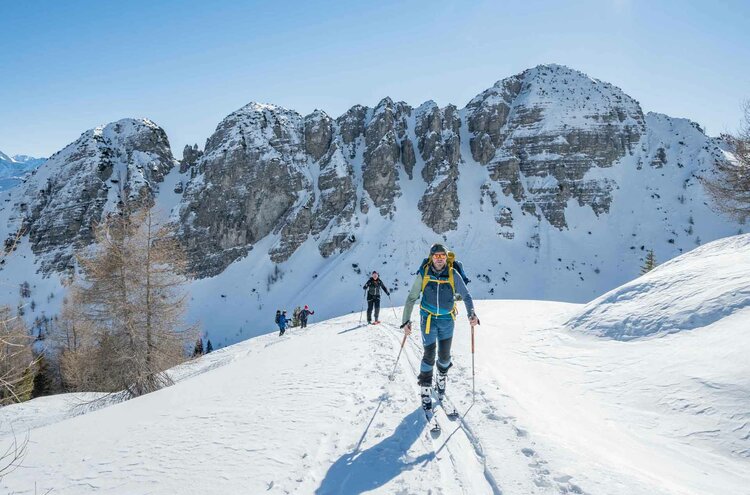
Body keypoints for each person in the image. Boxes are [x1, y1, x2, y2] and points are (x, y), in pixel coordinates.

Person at [400, 243, 479, 417]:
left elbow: (466, 295)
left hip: (447, 321)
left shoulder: (452, 273)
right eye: (436, 256)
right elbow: (412, 297)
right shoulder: (424, 273)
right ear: (431, 257)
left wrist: (471, 313)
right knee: (429, 355)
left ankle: (441, 379)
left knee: (444, 357)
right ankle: (426, 390)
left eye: (442, 256)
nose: (439, 260)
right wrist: (406, 320)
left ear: (446, 257)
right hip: (428, 320)